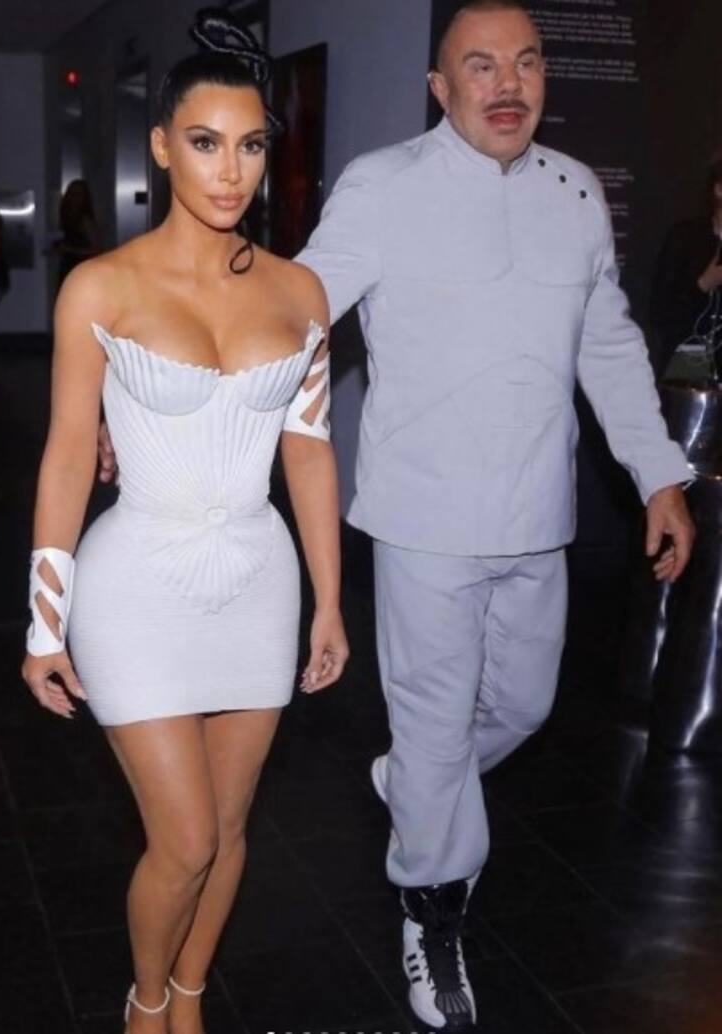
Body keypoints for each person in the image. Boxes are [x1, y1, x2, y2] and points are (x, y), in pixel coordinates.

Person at [295, 2, 693, 1030]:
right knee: (435, 725)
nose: (506, 83)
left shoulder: (574, 193)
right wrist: (161, 396)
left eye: (525, 62)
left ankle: (414, 786)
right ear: (440, 88)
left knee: (519, 707)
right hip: (422, 517)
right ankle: (430, 909)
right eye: (480, 65)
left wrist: (659, 475)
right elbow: (292, 316)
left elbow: (606, 343)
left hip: (535, 513)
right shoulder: (382, 185)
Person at [21, 10, 348, 1034]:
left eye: (250, 145)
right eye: (206, 143)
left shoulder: (301, 291)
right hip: (135, 587)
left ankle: (192, 997)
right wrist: (43, 624)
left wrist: (330, 601)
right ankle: (146, 1000)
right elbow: (67, 454)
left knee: (233, 826)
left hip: (258, 581)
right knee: (187, 837)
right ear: (163, 147)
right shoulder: (100, 287)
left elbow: (308, 451)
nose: (230, 170)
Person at [650, 155, 722, 380]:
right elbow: (659, 312)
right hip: (689, 362)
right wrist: (703, 285)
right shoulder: (685, 238)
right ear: (718, 189)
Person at [54, 178, 101, 288]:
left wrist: (69, 249)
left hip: (81, 267)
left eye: (78, 194)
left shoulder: (85, 220)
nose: (75, 197)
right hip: (68, 265)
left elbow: (96, 249)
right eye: (72, 193)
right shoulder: (67, 217)